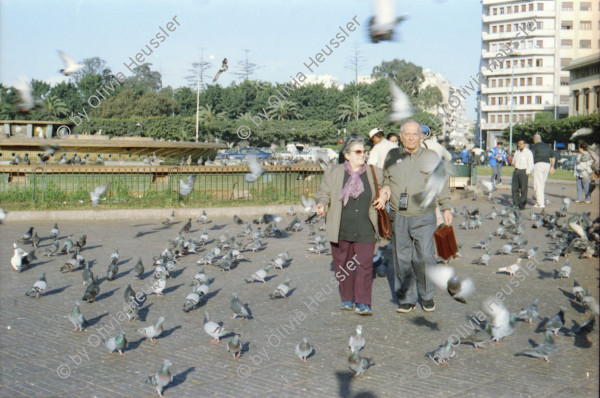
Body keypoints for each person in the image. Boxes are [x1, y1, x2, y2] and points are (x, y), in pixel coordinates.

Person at [374, 120, 453, 314]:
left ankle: (426, 296)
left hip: (424, 215)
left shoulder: (431, 156)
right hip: (399, 216)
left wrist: (446, 207)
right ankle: (407, 298)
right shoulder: (392, 155)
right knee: (402, 258)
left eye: (414, 134)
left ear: (420, 136)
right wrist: (384, 193)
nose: (411, 138)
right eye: (407, 134)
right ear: (400, 137)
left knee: (425, 257)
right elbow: (386, 180)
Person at [315, 135, 384, 315]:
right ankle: (347, 298)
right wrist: (321, 204)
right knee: (342, 264)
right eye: (358, 152)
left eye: (364, 151)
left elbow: (387, 186)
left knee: (365, 265)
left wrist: (384, 195)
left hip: (366, 225)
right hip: (341, 226)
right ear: (347, 155)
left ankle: (363, 302)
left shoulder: (374, 171)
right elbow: (324, 193)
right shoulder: (333, 172)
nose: (363, 155)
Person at [531, 133, 555, 208]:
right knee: (542, 184)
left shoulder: (534, 146)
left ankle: (540, 203)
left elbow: (531, 157)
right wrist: (552, 167)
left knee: (538, 184)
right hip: (547, 165)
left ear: (534, 140)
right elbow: (553, 157)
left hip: (538, 164)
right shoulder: (548, 146)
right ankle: (541, 200)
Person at [511, 139, 534, 210]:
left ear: (525, 145)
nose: (519, 145)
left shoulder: (528, 152)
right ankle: (516, 204)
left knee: (523, 189)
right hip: (516, 171)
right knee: (514, 189)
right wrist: (513, 163)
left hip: (523, 171)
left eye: (521, 144)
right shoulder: (517, 152)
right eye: (518, 144)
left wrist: (527, 172)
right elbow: (513, 160)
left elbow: (531, 164)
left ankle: (522, 204)